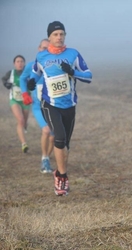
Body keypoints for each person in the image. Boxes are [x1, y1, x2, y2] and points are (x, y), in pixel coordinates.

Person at [21, 21, 92, 196]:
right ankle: (63, 178)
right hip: (49, 103)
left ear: (65, 36)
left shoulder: (73, 54)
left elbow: (88, 76)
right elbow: (35, 74)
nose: (59, 37)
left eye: (62, 34)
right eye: (55, 34)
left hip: (70, 105)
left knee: (65, 145)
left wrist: (72, 72)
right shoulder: (42, 57)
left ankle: (58, 173)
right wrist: (31, 82)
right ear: (50, 37)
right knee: (58, 138)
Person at [20, 38, 54, 173]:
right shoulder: (31, 65)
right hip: (38, 106)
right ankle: (44, 159)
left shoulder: (53, 65)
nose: (45, 50)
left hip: (52, 105)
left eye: (48, 48)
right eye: (43, 48)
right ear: (38, 49)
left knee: (53, 136)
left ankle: (47, 157)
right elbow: (23, 78)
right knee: (46, 131)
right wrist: (25, 94)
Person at [2, 55, 30, 153]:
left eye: (22, 61)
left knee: (25, 122)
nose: (20, 63)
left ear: (24, 63)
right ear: (14, 63)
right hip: (15, 100)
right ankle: (24, 144)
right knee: (21, 120)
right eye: (18, 61)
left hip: (26, 101)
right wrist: (6, 84)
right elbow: (3, 79)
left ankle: (24, 126)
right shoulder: (11, 73)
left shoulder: (28, 73)